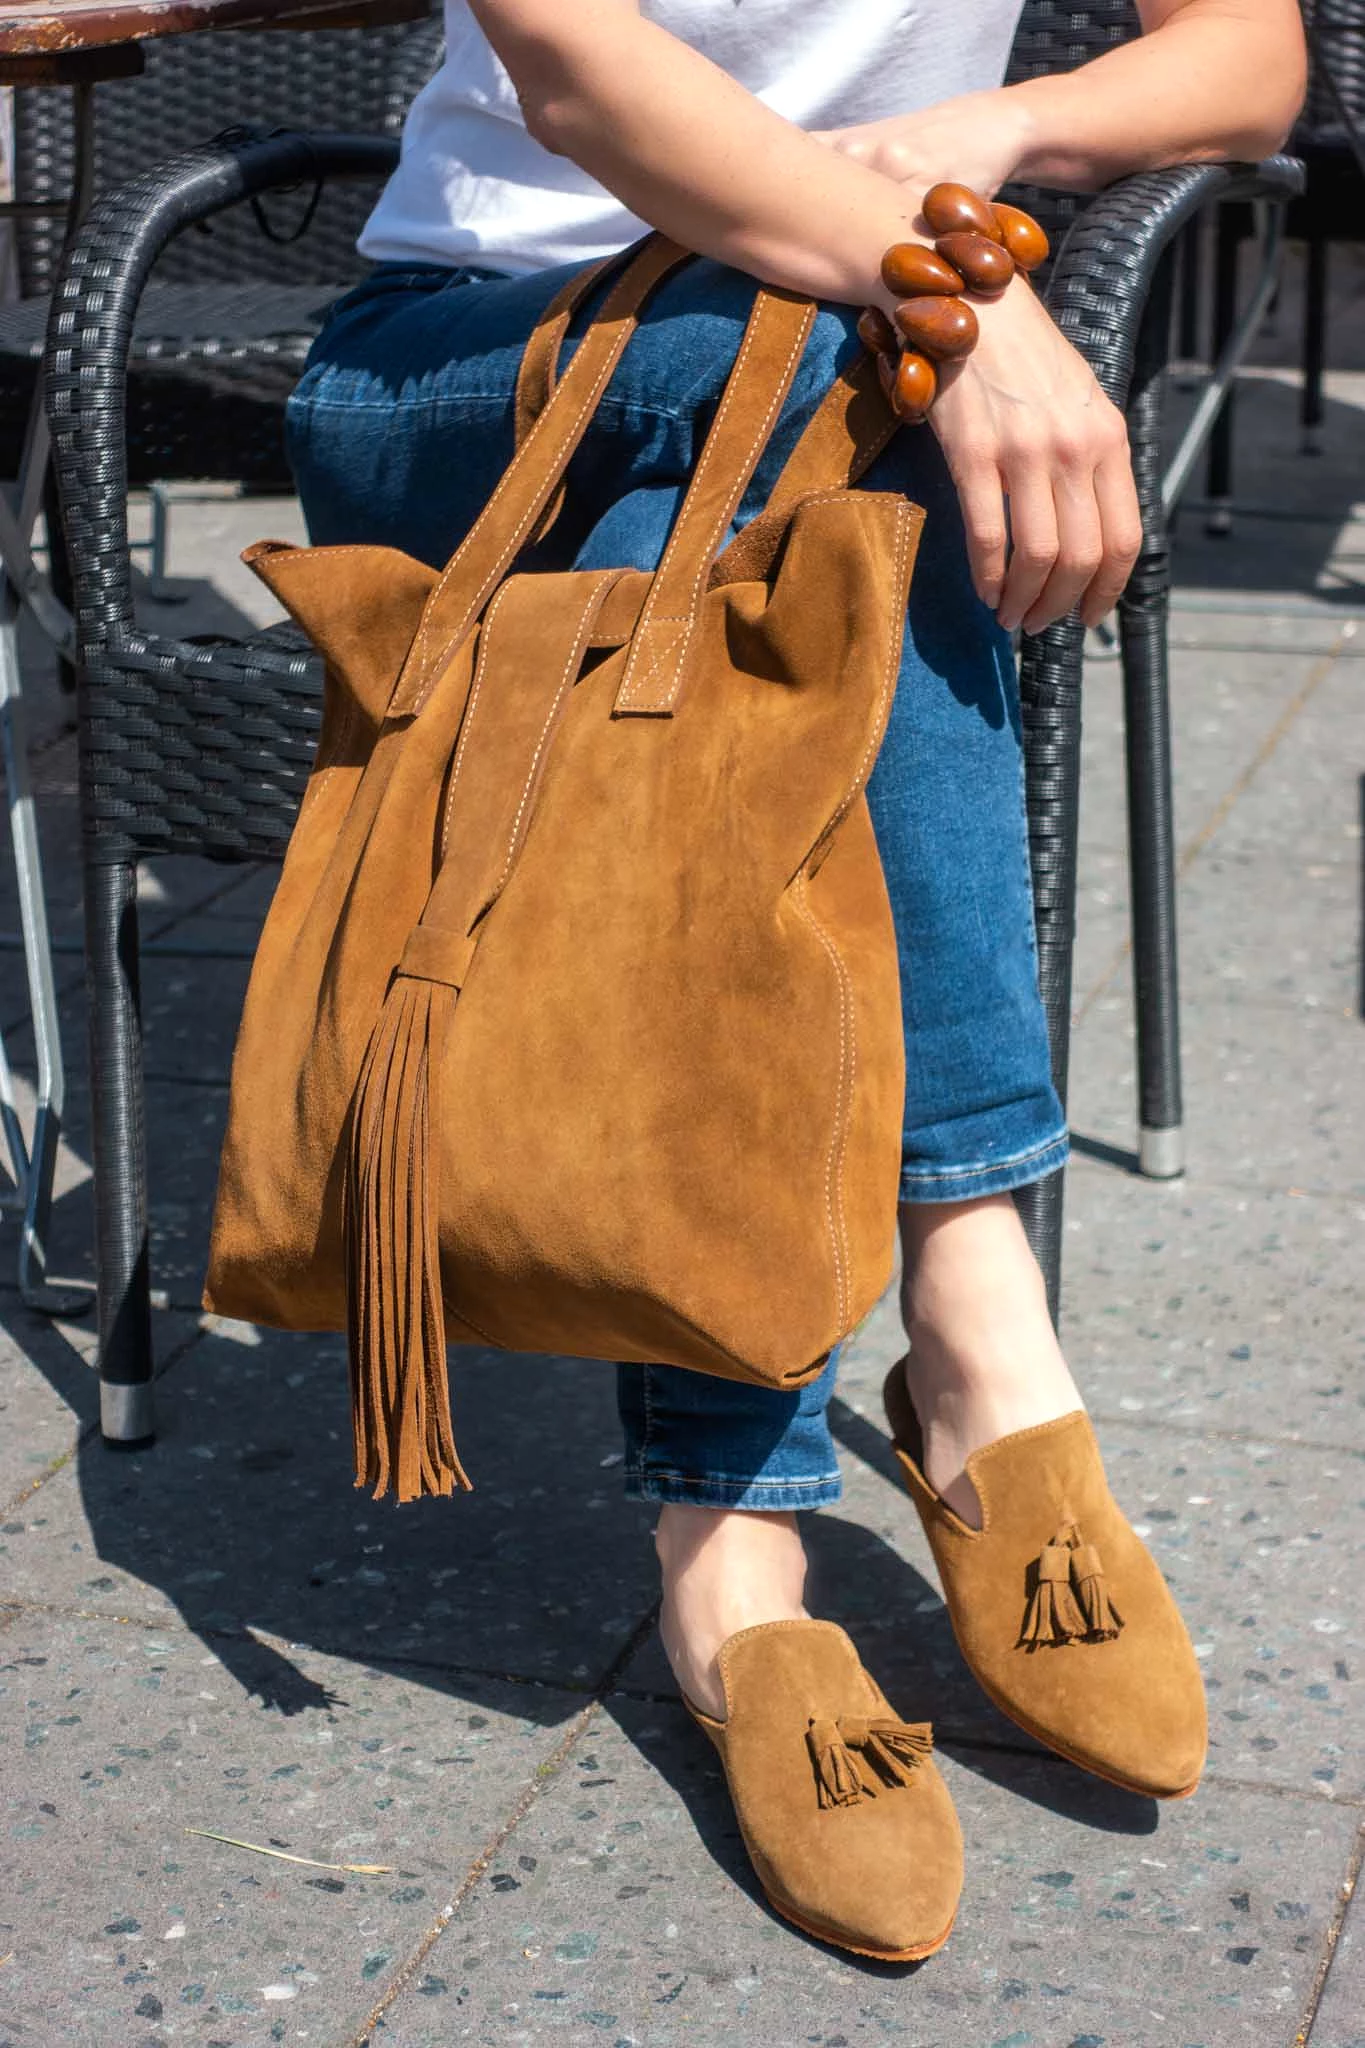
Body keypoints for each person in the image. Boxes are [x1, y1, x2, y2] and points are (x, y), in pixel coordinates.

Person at [285, 0, 1306, 1961]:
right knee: (858, 384)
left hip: (809, 374)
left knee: (783, 489)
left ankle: (730, 1544)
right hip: (463, 361)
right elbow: (579, 81)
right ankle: (979, 1329)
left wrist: (990, 133)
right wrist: (951, 289)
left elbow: (1251, 55)